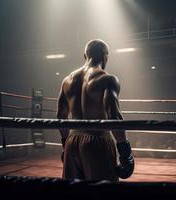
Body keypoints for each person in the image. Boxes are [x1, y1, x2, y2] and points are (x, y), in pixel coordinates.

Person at [56, 39, 134, 181]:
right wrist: (125, 151)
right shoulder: (107, 79)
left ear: (85, 56)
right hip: (98, 140)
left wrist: (65, 144)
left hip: (72, 142)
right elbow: (114, 116)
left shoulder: (67, 80)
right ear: (105, 56)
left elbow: (61, 116)